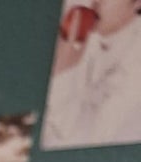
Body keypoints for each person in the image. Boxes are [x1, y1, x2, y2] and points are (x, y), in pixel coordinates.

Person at [42, 0, 141, 148]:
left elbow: (88, 143)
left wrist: (63, 73)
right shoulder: (87, 32)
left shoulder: (135, 68)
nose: (95, 2)